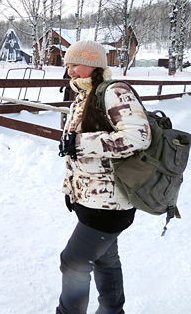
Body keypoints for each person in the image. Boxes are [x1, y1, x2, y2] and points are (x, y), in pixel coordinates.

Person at [56, 40, 151, 314]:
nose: (69, 71)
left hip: (110, 203)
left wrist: (80, 143)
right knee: (105, 259)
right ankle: (112, 311)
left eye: (74, 64)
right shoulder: (86, 94)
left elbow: (138, 136)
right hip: (92, 198)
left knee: (73, 261)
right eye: (67, 65)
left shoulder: (114, 91)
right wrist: (71, 189)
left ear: (92, 64)